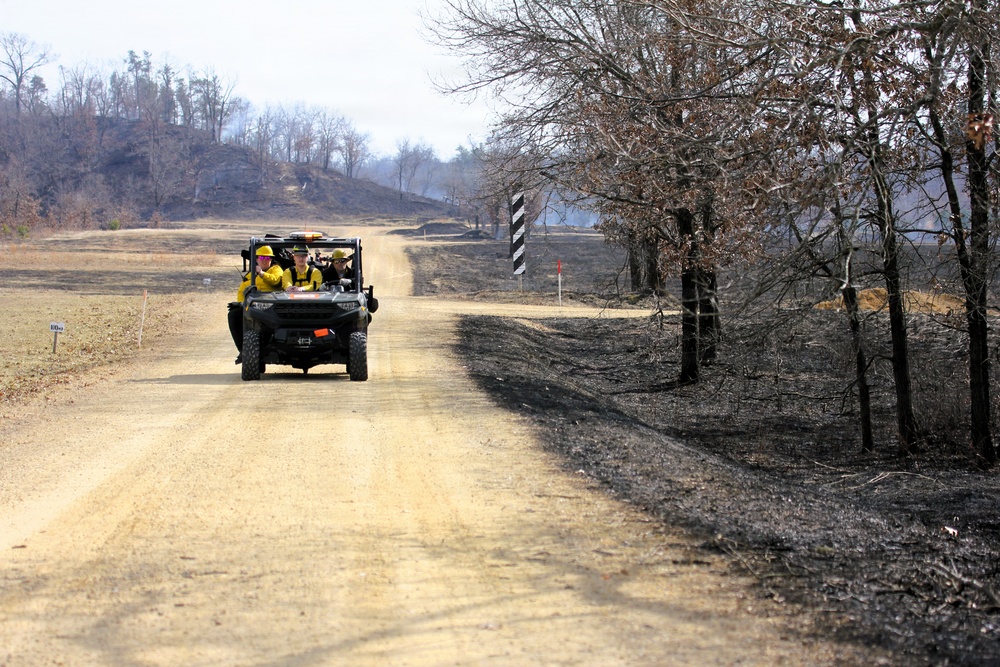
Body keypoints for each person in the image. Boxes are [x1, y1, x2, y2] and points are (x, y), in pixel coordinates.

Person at [228, 245, 284, 363]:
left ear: (271, 259)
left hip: (272, 306)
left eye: (267, 258)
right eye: (262, 257)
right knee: (234, 314)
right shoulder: (250, 275)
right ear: (256, 259)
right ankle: (243, 351)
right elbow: (242, 291)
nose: (264, 260)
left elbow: (276, 281)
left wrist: (262, 274)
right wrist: (241, 304)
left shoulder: (276, 269)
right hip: (255, 306)